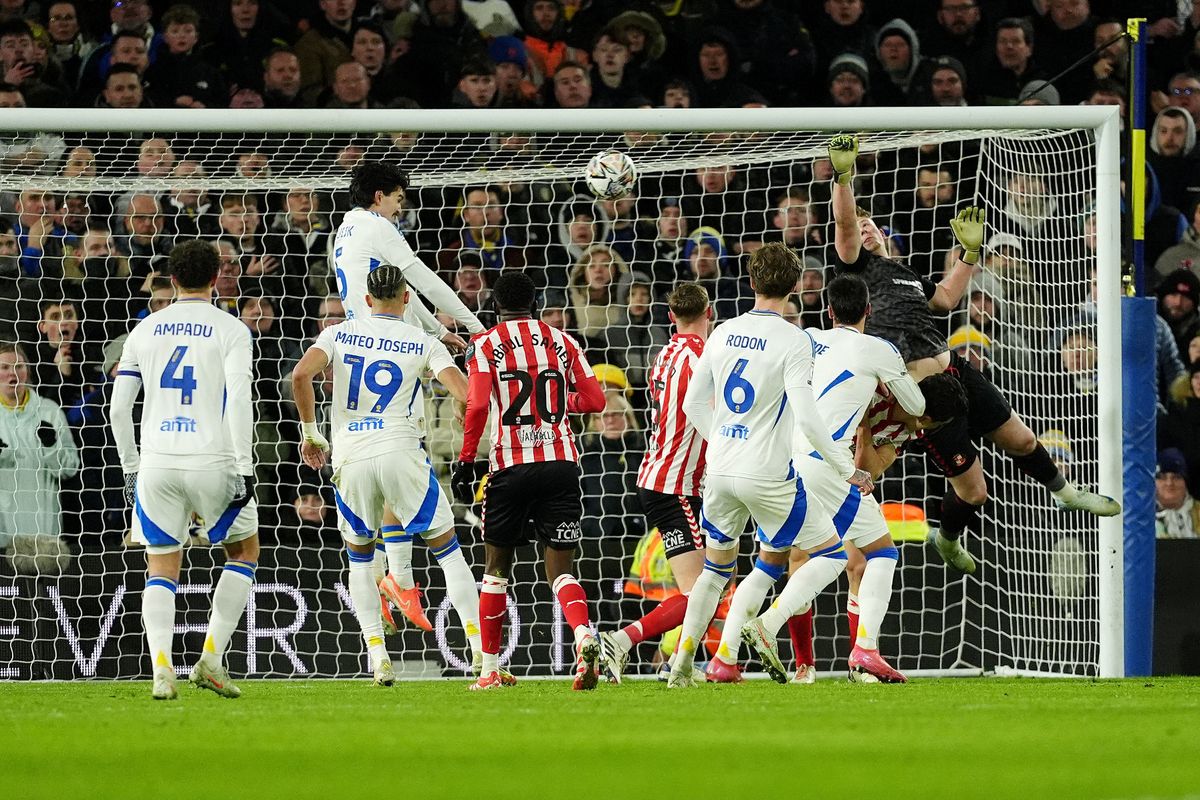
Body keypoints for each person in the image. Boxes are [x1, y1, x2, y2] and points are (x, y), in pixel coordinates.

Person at [827, 134, 1120, 576]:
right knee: (975, 492)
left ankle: (1065, 492)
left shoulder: (903, 274)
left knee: (1022, 439)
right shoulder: (857, 271)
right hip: (922, 399)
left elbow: (944, 299)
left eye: (872, 225)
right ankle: (946, 539)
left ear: (885, 234)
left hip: (955, 370)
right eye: (859, 226)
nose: (864, 229)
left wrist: (968, 253)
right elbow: (846, 226)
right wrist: (844, 179)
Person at [667, 242, 872, 688]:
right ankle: (766, 625)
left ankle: (681, 667)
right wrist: (845, 468)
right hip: (767, 475)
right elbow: (809, 416)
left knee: (715, 571)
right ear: (795, 285)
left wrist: (722, 438)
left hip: (719, 471)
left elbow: (691, 402)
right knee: (833, 554)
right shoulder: (794, 339)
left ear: (751, 282)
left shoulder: (720, 333)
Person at [712, 274, 925, 685]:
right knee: (875, 553)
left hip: (775, 460)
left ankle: (725, 657)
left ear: (828, 311)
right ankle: (848, 646)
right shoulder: (877, 348)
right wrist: (889, 380)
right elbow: (915, 404)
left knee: (769, 562)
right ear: (868, 311)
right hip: (825, 463)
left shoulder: (806, 337)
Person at [291, 265, 484, 685]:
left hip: (350, 454)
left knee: (359, 557)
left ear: (365, 299)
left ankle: (378, 657)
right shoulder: (422, 340)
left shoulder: (338, 333)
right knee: (449, 551)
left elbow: (301, 375)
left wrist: (311, 435)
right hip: (400, 449)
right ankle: (479, 654)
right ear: (407, 298)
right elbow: (469, 395)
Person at [109, 240, 260, 701]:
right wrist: (244, 463)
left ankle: (160, 671)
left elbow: (119, 409)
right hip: (213, 460)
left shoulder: (144, 330)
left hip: (156, 463)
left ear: (171, 281)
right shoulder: (232, 329)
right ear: (217, 279)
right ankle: (210, 660)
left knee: (161, 565)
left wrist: (132, 468)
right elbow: (238, 400)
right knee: (244, 552)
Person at [451, 271, 606, 691]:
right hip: (561, 464)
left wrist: (467, 460)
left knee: (496, 570)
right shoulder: (564, 341)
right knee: (560, 570)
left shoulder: (485, 345)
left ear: (496, 306)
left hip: (510, 468)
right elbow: (596, 400)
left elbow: (478, 403)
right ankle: (583, 636)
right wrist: (560, 402)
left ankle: (488, 671)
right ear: (535, 304)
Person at [598, 282, 711, 684]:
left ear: (670, 317)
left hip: (660, 476)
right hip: (675, 485)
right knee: (701, 590)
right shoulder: (706, 358)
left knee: (709, 583)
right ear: (709, 313)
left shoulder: (663, 355)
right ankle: (626, 641)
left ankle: (681, 667)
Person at [0, 340, 80, 578]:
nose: (13, 373)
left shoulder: (49, 411)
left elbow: (70, 468)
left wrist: (51, 445)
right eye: (5, 367)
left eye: (19, 366)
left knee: (43, 604)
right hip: (3, 533)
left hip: (44, 532)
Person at [1155, 447, 1199, 539]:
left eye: (1176, 477)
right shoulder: (1142, 517)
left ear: (1185, 482)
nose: (1169, 483)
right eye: (1162, 477)